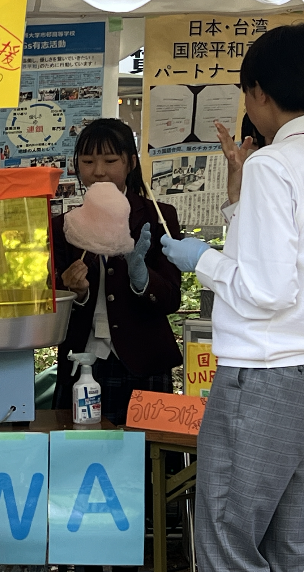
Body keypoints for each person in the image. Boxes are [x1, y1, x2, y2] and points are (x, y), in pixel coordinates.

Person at [161, 24, 304, 572]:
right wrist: (237, 203)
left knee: (226, 539)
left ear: (259, 92)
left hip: (264, 375)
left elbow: (268, 289)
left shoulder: (275, 162)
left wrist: (202, 259)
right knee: (292, 543)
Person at [52, 118, 182, 427]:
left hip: (144, 360)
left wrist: (142, 278)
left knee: (145, 454)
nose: (98, 171)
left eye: (110, 161)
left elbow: (171, 298)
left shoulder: (158, 217)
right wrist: (74, 293)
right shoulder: (63, 225)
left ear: (131, 163)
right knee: (79, 450)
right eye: (88, 161)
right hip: (83, 361)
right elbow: (51, 298)